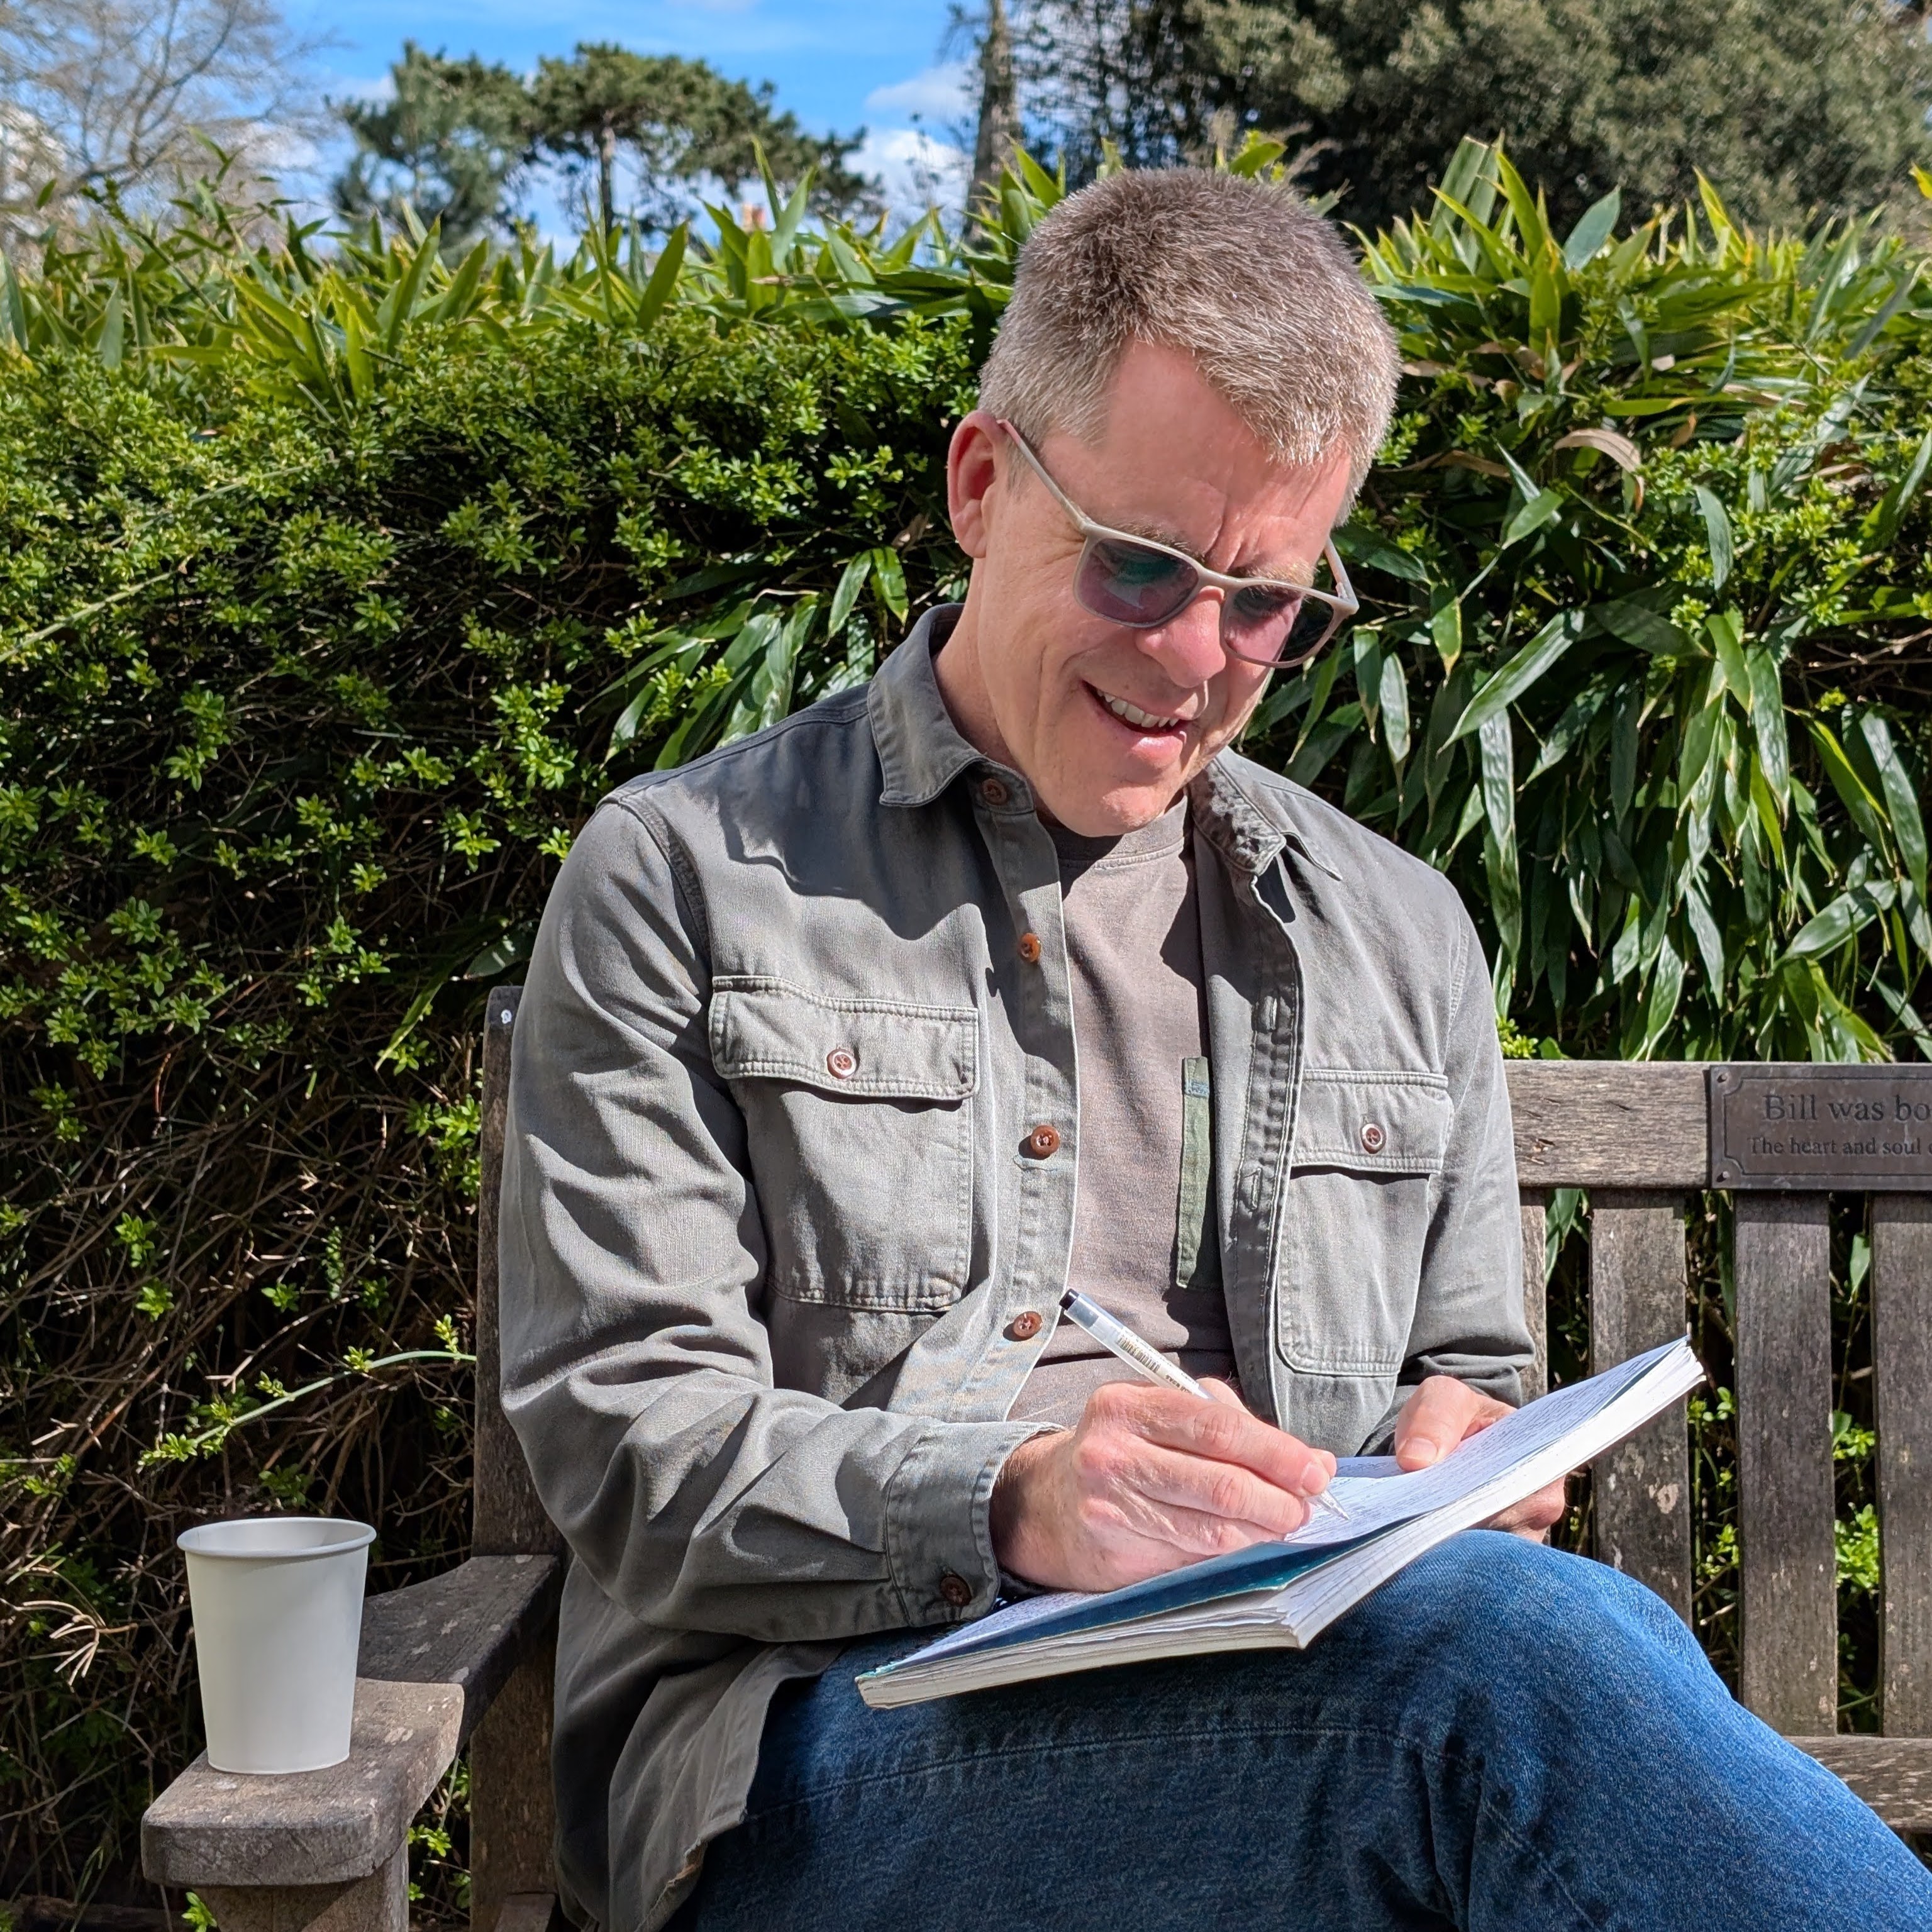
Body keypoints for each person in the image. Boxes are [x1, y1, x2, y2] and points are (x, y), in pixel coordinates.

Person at [499, 167, 1932, 1932]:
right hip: (817, 1760)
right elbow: (630, 1440)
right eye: (1142, 567)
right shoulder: (688, 878)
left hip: (1319, 1723)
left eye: (1268, 604)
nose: (1197, 659)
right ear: (979, 484)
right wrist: (1013, 1501)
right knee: (1502, 1690)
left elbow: (1463, 1377)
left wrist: (1465, 1453)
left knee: (1525, 1654)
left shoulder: (1397, 931)